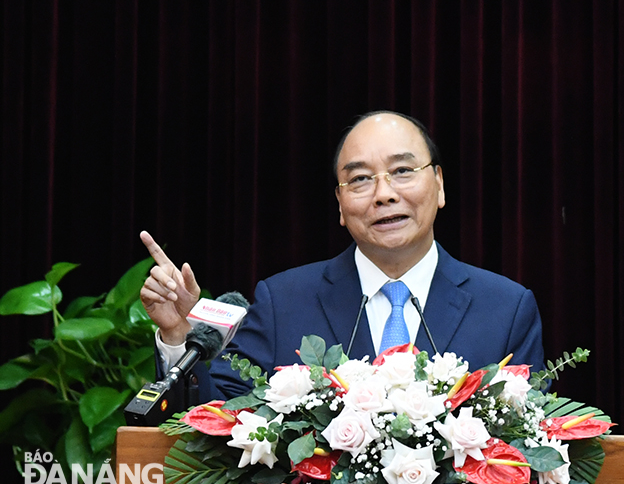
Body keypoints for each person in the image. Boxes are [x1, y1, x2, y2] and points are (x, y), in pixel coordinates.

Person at [140, 111, 545, 401]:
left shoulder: (506, 309)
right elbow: (214, 419)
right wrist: (178, 336)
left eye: (402, 171)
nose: (384, 193)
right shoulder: (282, 302)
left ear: (438, 184)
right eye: (360, 179)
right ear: (339, 203)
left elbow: (529, 441)